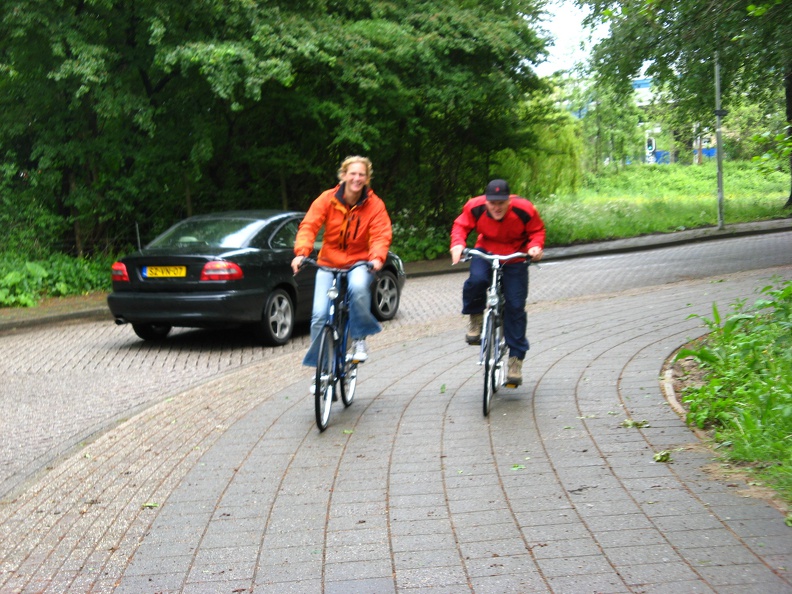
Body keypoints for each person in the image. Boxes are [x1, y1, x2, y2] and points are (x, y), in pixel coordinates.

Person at [291, 156, 392, 386]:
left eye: (361, 175)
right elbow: (309, 225)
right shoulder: (327, 199)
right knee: (318, 315)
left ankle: (358, 338)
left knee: (358, 288)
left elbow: (381, 234)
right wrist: (302, 252)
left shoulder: (374, 204)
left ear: (367, 178)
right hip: (328, 263)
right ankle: (322, 370)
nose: (357, 178)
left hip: (359, 263)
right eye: (352, 173)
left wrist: (376, 258)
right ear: (344, 175)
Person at [449, 179, 546, 387]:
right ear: (486, 201)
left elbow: (537, 231)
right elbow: (460, 226)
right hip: (486, 251)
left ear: (509, 201)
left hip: (515, 255)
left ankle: (515, 361)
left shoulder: (524, 209)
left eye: (501, 203)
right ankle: (476, 318)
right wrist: (458, 245)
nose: (497, 207)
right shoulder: (474, 207)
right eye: (493, 203)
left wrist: (535, 247)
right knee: (476, 281)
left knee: (515, 305)